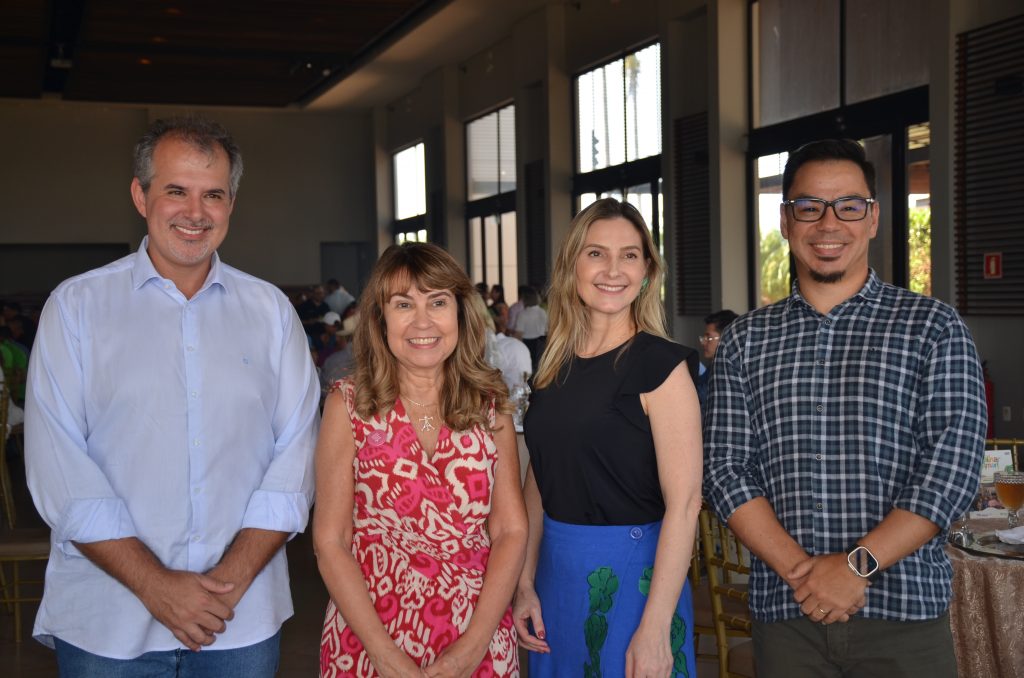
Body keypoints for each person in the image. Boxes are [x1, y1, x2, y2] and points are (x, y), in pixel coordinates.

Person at [24, 115, 320, 675]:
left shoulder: (271, 313)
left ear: (231, 204)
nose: (195, 212)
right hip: (108, 621)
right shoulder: (77, 308)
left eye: (213, 194)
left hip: (239, 619)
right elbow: (58, 466)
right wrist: (156, 585)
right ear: (140, 196)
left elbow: (296, 458)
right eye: (175, 191)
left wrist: (224, 587)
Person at [703, 139, 987, 677]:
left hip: (904, 617)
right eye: (809, 207)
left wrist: (856, 567)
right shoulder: (744, 342)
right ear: (786, 221)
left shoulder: (933, 328)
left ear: (874, 218)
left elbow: (950, 470)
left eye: (848, 206)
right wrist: (808, 576)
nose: (828, 223)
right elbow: (724, 470)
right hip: (788, 617)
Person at [315, 242, 528, 676]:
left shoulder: (490, 405)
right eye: (403, 304)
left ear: (460, 312)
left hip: (477, 629)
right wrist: (384, 656)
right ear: (379, 318)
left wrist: (473, 647)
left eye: (437, 301)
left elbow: (510, 529)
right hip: (369, 634)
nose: (423, 321)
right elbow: (331, 541)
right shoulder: (348, 406)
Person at [514, 198, 703, 678]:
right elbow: (539, 479)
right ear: (572, 264)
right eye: (596, 253)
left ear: (647, 271)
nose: (613, 269)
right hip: (556, 580)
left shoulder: (662, 367)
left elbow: (685, 504)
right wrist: (525, 581)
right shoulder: (553, 366)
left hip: (637, 584)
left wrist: (657, 627)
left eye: (630, 255)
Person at [695, 309, 737, 412]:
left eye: (708, 337)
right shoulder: (711, 369)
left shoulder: (729, 374)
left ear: (726, 338)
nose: (703, 343)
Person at [512, 286, 548, 374]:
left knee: (529, 371)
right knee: (540, 369)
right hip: (541, 343)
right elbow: (547, 330)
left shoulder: (522, 314)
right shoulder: (542, 312)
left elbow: (518, 334)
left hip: (527, 344)